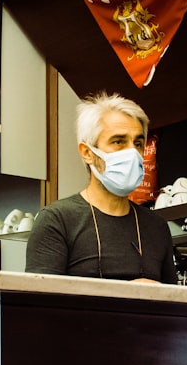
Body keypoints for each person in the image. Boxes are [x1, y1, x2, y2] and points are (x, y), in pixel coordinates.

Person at [25, 92, 176, 283]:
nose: (132, 152)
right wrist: (127, 294)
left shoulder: (157, 227)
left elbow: (173, 305)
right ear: (87, 153)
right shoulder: (57, 221)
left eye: (138, 143)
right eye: (118, 141)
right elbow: (38, 304)